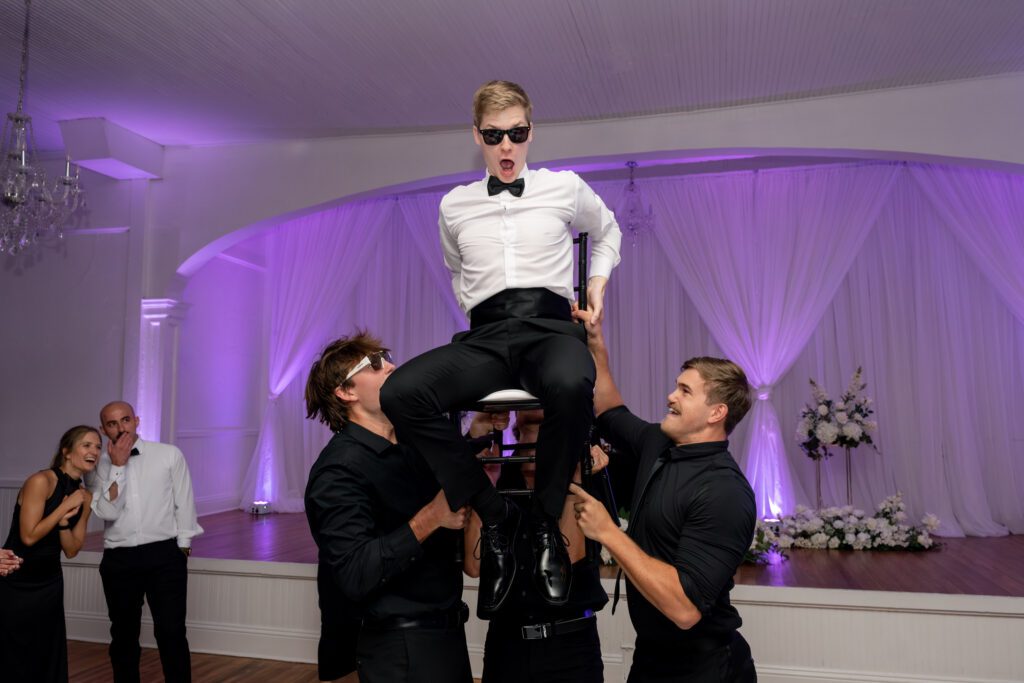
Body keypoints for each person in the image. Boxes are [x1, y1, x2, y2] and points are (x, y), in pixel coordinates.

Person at [381, 79, 622, 614]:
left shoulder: (564, 188)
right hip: (486, 335)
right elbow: (456, 270)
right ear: (478, 137)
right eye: (495, 136)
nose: (506, 146)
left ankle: (544, 527)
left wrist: (597, 283)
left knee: (571, 380)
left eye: (516, 133)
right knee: (401, 392)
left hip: (551, 328)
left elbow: (607, 231)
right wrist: (479, 307)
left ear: (531, 132)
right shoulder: (454, 205)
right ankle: (494, 516)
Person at [569, 309, 758, 682]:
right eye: (676, 386)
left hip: (703, 668)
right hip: (651, 658)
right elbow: (608, 408)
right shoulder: (659, 442)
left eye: (685, 391)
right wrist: (597, 342)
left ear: (716, 412)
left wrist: (608, 532)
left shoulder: (725, 492)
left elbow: (684, 609)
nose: (670, 395)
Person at [304, 332, 473, 683]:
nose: (392, 366)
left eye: (388, 357)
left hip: (448, 635)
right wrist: (431, 518)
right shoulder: (339, 470)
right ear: (346, 392)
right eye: (375, 363)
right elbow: (354, 573)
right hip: (399, 649)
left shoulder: (412, 448)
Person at [464, 409, 610, 683]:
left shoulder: (585, 470)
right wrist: (484, 488)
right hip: (506, 646)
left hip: (569, 646)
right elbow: (474, 567)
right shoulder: (501, 473)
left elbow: (571, 561)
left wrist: (572, 479)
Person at [87, 401, 203, 683]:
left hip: (165, 555)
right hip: (119, 557)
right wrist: (117, 466)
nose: (120, 428)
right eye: (112, 424)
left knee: (172, 632)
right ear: (103, 430)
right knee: (123, 636)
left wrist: (183, 549)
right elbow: (107, 511)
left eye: (125, 420)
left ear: (137, 421)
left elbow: (184, 504)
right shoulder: (96, 465)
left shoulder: (169, 454)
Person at [0, 425, 99, 682]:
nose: (94, 451)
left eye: (98, 447)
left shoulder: (85, 497)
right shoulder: (41, 481)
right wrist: (65, 506)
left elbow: (72, 549)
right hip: (16, 576)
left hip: (50, 581)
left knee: (46, 651)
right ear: (67, 451)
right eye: (86, 445)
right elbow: (29, 536)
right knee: (16, 651)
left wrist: (65, 522)